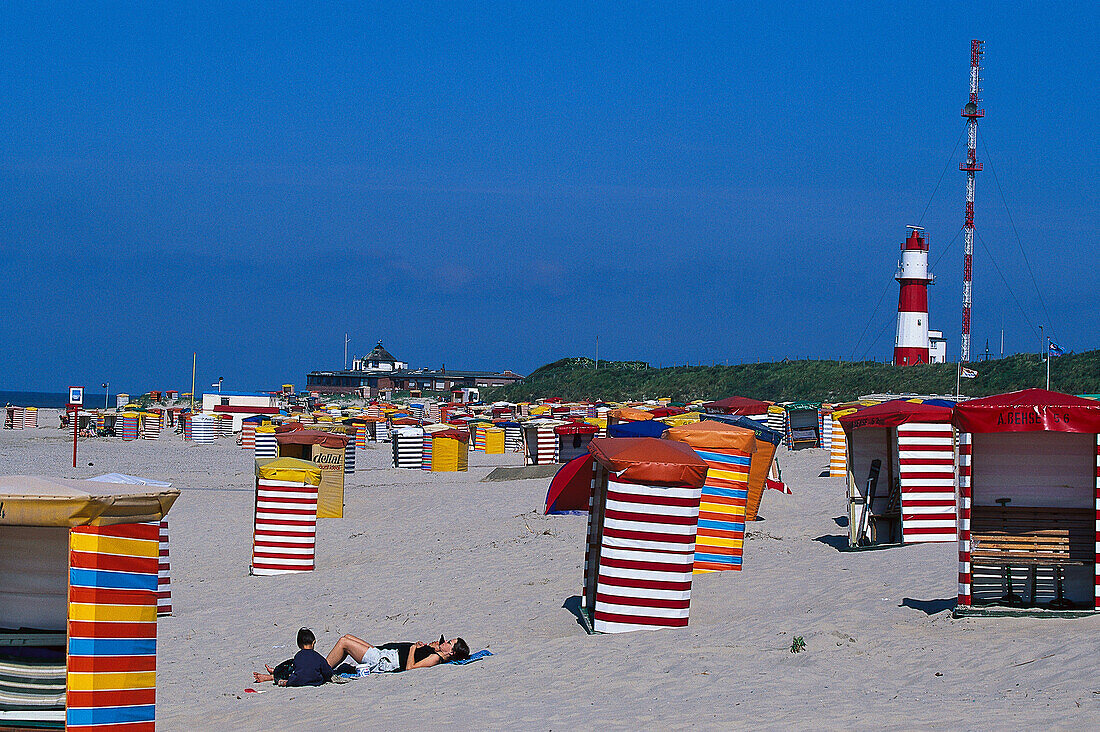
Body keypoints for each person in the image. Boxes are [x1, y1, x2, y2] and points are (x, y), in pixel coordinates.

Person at [325, 633, 470, 674]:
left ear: (452, 652)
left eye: (448, 643)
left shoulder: (435, 658)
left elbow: (410, 668)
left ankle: (321, 670)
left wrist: (413, 648)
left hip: (385, 661)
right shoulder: (435, 652)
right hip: (386, 654)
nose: (444, 643)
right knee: (348, 637)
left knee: (344, 642)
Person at [253, 628, 334, 687]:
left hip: (296, 681)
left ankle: (276, 672)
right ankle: (275, 673)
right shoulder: (318, 656)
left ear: (299, 645)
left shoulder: (298, 656)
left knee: (291, 665)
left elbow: (296, 669)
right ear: (313, 643)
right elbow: (327, 672)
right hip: (316, 681)